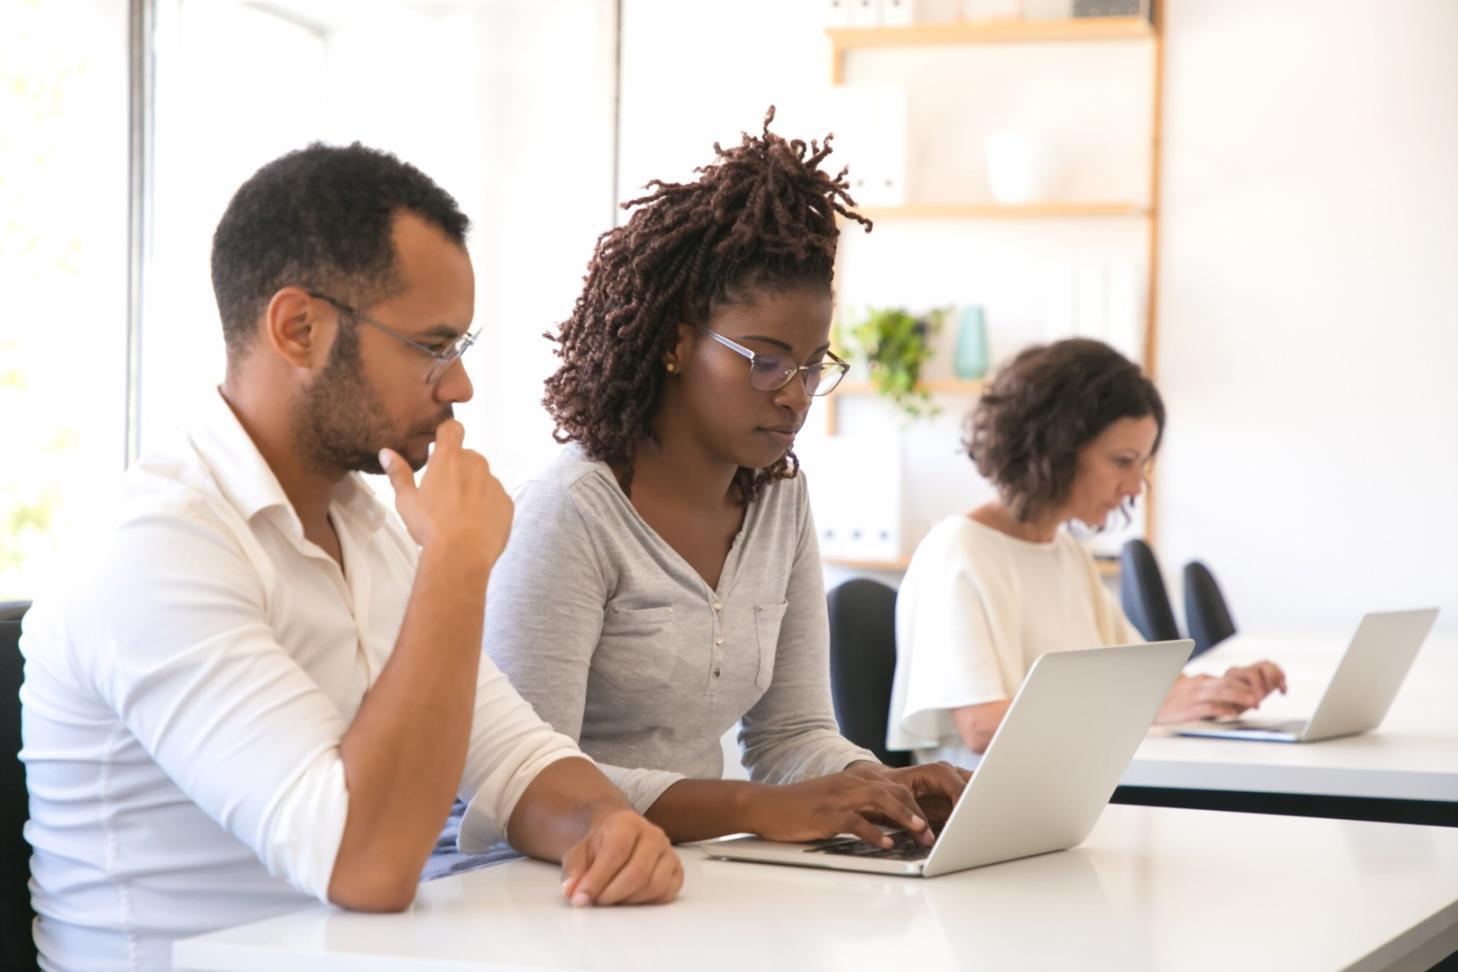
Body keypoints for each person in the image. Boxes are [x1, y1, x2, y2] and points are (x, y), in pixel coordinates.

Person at [19, 143, 680, 972]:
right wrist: (458, 563)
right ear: (299, 329)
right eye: (432, 347)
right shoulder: (156, 549)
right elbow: (359, 864)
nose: (461, 386)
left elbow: (514, 755)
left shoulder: (364, 520)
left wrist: (604, 826)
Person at [480, 110, 967, 853]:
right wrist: (754, 807)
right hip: (554, 883)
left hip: (695, 875)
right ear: (678, 346)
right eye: (766, 360)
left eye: (812, 366)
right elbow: (526, 780)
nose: (796, 394)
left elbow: (792, 733)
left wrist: (876, 788)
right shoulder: (571, 512)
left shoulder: (779, 499)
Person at [887, 338, 1287, 763]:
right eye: (1122, 461)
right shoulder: (958, 551)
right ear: (1055, 448)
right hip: (989, 807)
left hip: (1067, 786)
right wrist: (1152, 707)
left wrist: (1219, 690)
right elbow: (982, 726)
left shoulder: (1066, 552)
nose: (1134, 487)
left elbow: (1141, 684)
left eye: (1141, 465)